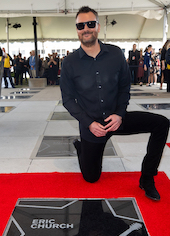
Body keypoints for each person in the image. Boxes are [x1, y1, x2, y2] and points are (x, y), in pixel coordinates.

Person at [60, 6, 169, 201]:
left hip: (118, 118)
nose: (86, 28)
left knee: (161, 123)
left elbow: (124, 87)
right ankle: (81, 147)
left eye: (90, 24)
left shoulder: (116, 54)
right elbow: (68, 99)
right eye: (80, 25)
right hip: (93, 126)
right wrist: (89, 123)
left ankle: (147, 177)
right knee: (91, 178)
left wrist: (119, 114)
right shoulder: (69, 62)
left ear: (98, 27)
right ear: (77, 29)